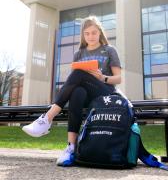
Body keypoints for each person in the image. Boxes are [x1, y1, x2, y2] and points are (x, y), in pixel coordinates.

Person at [22, 15, 122, 166]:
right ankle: (71, 147)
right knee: (77, 93)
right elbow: (75, 81)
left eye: (94, 32)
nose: (91, 36)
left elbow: (119, 78)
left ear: (100, 32)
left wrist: (103, 77)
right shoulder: (79, 53)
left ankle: (47, 118)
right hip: (87, 94)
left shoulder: (109, 50)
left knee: (78, 74)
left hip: (105, 92)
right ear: (83, 35)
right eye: (87, 33)